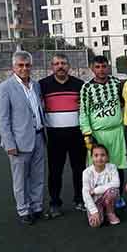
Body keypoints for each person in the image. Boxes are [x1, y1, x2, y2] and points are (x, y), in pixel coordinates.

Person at [0, 50, 47, 225]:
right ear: (13, 67)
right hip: (18, 142)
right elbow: (3, 120)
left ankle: (37, 206)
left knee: (38, 176)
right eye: (20, 65)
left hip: (39, 137)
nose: (24, 68)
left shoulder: (36, 85)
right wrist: (9, 143)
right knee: (20, 179)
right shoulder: (4, 88)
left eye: (27, 65)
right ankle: (23, 210)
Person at [39, 54, 86, 216]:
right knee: (55, 171)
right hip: (54, 136)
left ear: (69, 66)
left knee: (79, 169)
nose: (60, 66)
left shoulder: (79, 84)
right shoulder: (43, 85)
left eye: (63, 63)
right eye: (56, 63)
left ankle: (80, 200)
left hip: (77, 135)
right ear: (52, 66)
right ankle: (54, 203)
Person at [79, 56, 127, 208]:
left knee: (118, 165)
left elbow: (124, 102)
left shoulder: (116, 83)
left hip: (116, 131)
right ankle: (96, 197)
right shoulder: (87, 88)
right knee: (98, 166)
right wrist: (87, 134)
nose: (101, 70)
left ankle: (118, 196)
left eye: (104, 66)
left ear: (108, 67)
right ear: (92, 68)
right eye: (98, 67)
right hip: (97, 134)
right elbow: (83, 112)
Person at [82, 144, 121, 227]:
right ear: (91, 157)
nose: (99, 158)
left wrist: (95, 190)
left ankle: (110, 212)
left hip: (107, 197)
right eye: (96, 155)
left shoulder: (112, 167)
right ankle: (100, 211)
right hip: (94, 200)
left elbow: (116, 183)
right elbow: (85, 193)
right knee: (95, 224)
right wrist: (94, 212)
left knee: (113, 191)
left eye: (102, 155)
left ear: (107, 157)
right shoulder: (86, 172)